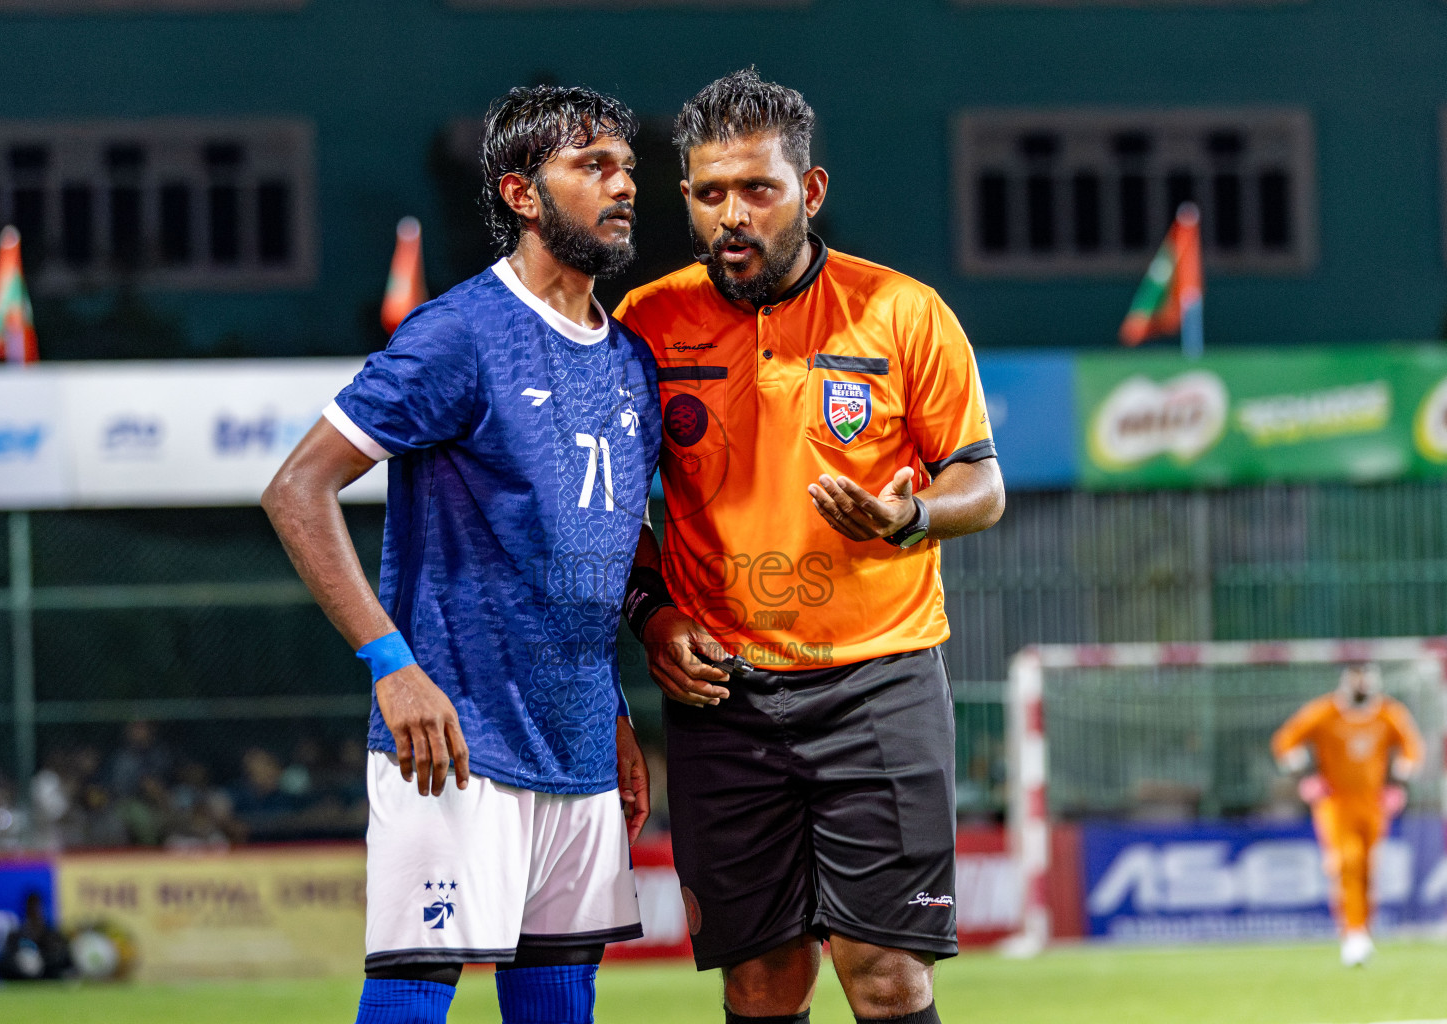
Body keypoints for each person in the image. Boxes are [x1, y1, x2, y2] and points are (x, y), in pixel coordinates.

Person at [263, 84, 661, 1024]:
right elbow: (297, 490)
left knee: (560, 1004)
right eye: (593, 166)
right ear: (523, 194)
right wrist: (391, 664)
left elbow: (602, 536)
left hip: (578, 745)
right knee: (411, 998)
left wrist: (611, 711)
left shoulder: (631, 361)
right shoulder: (460, 335)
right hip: (454, 739)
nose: (624, 187)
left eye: (628, 168)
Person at [615, 69, 1004, 1024]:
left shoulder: (904, 313)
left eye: (758, 188)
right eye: (710, 194)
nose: (732, 215)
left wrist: (907, 517)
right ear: (687, 202)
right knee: (762, 982)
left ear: (811, 191)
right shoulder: (643, 326)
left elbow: (981, 486)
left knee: (883, 974)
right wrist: (652, 616)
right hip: (724, 695)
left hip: (878, 682)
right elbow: (610, 515)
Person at [1271, 662, 1424, 966]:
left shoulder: (1388, 713)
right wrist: (1305, 776)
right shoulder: (1324, 712)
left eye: (1365, 677)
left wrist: (1398, 783)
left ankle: (1364, 930)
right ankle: (1352, 932)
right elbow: (1285, 742)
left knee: (1368, 865)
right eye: (1355, 677)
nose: (1361, 684)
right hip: (1335, 802)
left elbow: (1412, 748)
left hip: (1373, 803)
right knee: (1346, 861)